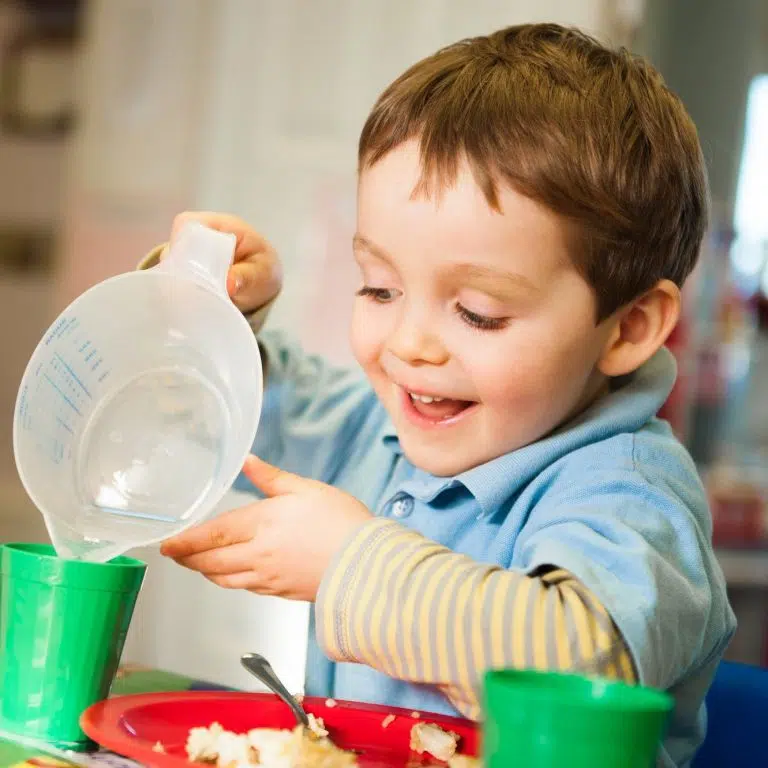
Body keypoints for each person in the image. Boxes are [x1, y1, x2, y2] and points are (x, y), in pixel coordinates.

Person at [146, 23, 735, 767]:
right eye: (380, 287)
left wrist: (346, 567)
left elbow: (580, 666)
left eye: (478, 312)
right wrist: (212, 310)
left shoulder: (627, 494)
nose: (410, 345)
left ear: (628, 327)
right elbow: (209, 410)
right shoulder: (383, 432)